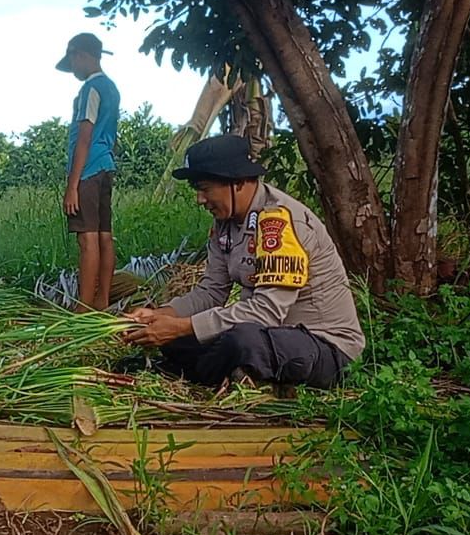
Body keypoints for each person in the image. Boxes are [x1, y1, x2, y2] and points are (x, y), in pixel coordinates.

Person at [122, 135, 365, 390]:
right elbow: (211, 291)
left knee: (240, 341)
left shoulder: (279, 223)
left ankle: (205, 373)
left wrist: (182, 327)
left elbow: (266, 312)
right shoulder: (224, 224)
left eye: (205, 188)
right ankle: (218, 372)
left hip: (322, 347)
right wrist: (160, 316)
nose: (200, 199)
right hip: (269, 335)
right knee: (177, 338)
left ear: (237, 182)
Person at [56, 32, 120, 311]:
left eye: (72, 62)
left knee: (88, 238)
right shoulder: (112, 88)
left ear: (80, 55)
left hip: (88, 170)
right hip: (106, 166)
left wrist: (72, 186)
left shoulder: (89, 90)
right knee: (105, 235)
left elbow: (84, 136)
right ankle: (102, 299)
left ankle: (83, 306)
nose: (73, 70)